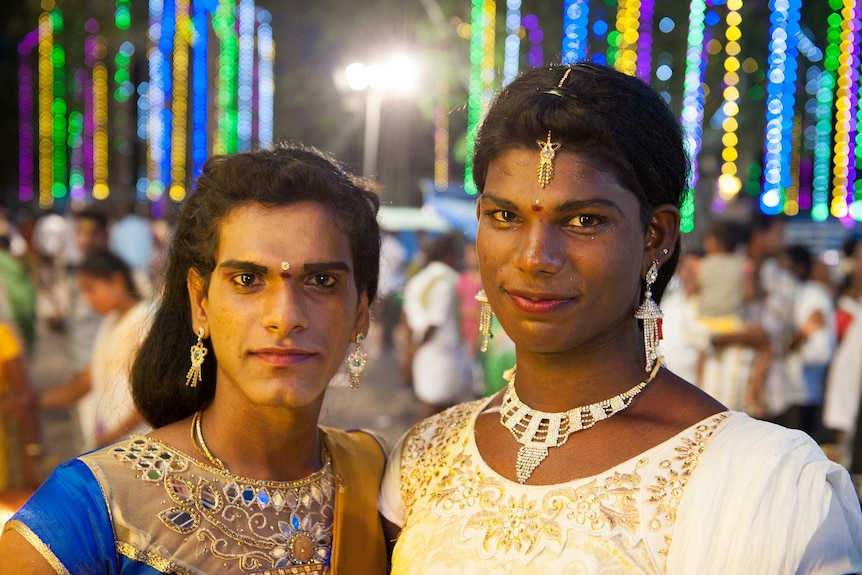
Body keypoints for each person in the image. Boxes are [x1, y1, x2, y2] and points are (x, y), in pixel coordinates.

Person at [378, 63, 862, 573]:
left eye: (584, 220)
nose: (534, 257)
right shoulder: (422, 459)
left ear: (656, 235)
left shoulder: (769, 485)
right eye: (506, 216)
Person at [0, 144, 389, 574]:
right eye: (247, 279)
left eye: (321, 280)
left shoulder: (386, 485)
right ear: (200, 302)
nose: (285, 317)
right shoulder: (88, 514)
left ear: (361, 313)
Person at [38, 250, 152, 450]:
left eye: (91, 290)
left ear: (116, 281)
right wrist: (36, 401)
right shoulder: (110, 322)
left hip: (140, 445)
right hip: (113, 443)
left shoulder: (146, 321)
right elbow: (87, 380)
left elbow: (152, 396)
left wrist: (111, 438)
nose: (88, 300)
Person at [402, 232, 474, 419]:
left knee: (429, 403)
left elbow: (408, 316)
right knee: (440, 409)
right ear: (448, 255)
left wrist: (411, 349)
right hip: (442, 353)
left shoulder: (419, 279)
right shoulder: (448, 280)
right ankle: (426, 447)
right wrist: (417, 347)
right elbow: (435, 321)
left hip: (425, 350)